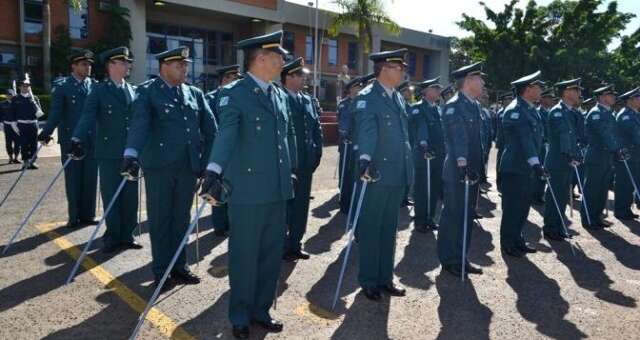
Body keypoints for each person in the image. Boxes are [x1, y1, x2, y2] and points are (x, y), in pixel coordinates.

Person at [200, 31, 294, 339]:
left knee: (270, 254)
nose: (283, 61)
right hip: (249, 191)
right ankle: (239, 314)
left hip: (277, 190)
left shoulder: (279, 94)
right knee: (244, 255)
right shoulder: (235, 93)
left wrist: (288, 171)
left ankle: (261, 310)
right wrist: (213, 171)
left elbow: (283, 140)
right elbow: (226, 134)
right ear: (261, 59)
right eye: (278, 57)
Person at [121, 46, 217, 292]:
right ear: (164, 67)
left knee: (181, 220)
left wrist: (206, 164)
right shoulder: (148, 93)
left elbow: (212, 131)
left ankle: (179, 265)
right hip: (160, 168)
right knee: (161, 220)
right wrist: (131, 154)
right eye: (179, 65)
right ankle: (162, 270)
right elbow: (139, 125)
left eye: (185, 65)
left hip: (187, 168)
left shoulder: (194, 93)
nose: (185, 69)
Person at [351, 48, 413, 300]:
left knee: (389, 229)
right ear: (384, 69)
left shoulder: (396, 97)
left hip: (396, 172)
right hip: (375, 174)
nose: (402, 72)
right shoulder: (368, 97)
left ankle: (385, 277)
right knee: (371, 228)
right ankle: (368, 280)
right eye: (398, 68)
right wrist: (364, 160)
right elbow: (366, 131)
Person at [71, 46, 141, 253]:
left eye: (128, 62)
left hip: (131, 152)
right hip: (109, 152)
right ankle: (113, 236)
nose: (128, 65)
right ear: (112, 65)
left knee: (130, 196)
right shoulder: (99, 90)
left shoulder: (132, 90)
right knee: (111, 195)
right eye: (124, 62)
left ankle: (128, 234)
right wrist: (77, 138)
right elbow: (87, 117)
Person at [38, 49, 99, 228]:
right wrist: (46, 132)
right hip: (71, 140)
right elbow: (56, 113)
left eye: (89, 64)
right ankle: (74, 217)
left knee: (90, 178)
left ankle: (88, 215)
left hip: (91, 140)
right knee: (73, 178)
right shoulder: (63, 87)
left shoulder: (94, 86)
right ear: (73, 66)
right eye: (83, 64)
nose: (88, 67)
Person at [437, 61, 486, 278]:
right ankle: (449, 260)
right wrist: (463, 165)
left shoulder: (474, 105)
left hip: (471, 170)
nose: (483, 82)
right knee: (453, 215)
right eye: (479, 78)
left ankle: (462, 257)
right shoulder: (454, 105)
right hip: (459, 169)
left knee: (466, 215)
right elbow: (458, 139)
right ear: (468, 81)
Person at [498, 70, 547, 257]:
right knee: (512, 207)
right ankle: (508, 243)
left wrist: (536, 163)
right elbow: (525, 139)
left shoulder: (529, 108)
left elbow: (535, 141)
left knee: (523, 206)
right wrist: (536, 163)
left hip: (526, 167)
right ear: (528, 89)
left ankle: (517, 239)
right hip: (515, 167)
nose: (541, 90)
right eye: (538, 87)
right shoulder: (515, 111)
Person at [281, 57, 323, 261]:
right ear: (288, 77)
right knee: (284, 206)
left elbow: (316, 129)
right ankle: (281, 244)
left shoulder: (307, 100)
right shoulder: (279, 98)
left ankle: (295, 243)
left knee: (301, 205)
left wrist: (317, 153)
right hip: (287, 162)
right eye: (299, 75)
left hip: (306, 162)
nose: (303, 80)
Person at [580, 84, 627, 229]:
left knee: (602, 188)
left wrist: (620, 148)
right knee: (592, 189)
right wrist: (617, 148)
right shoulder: (596, 113)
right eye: (610, 95)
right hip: (596, 156)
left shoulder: (608, 113)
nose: (614, 97)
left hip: (606, 156)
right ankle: (588, 218)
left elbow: (615, 135)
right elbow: (604, 134)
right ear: (602, 97)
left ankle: (597, 216)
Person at [542, 78, 584, 241]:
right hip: (558, 160)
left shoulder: (570, 112)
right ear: (566, 93)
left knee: (561, 196)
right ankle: (550, 228)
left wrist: (576, 153)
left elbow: (576, 136)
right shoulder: (558, 112)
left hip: (566, 160)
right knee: (555, 195)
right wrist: (570, 154)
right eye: (576, 90)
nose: (579, 93)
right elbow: (564, 136)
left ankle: (558, 226)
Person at [205, 64, 242, 237]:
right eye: (232, 77)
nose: (235, 80)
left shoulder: (238, 96)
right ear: (224, 79)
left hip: (235, 152)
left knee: (232, 186)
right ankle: (219, 225)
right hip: (217, 150)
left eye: (236, 78)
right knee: (216, 186)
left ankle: (230, 221)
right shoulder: (210, 98)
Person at [410, 77, 443, 232]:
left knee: (434, 187)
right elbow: (421, 128)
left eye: (438, 88)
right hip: (425, 154)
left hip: (438, 155)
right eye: (434, 88)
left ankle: (430, 217)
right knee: (422, 188)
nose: (438, 91)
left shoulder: (438, 108)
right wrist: (424, 144)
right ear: (425, 91)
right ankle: (420, 220)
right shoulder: (418, 109)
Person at [337, 75, 365, 214]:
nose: (359, 89)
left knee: (356, 174)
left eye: (361, 86)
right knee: (346, 174)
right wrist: (345, 134)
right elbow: (343, 123)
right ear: (350, 89)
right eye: (356, 87)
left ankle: (354, 202)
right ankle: (345, 203)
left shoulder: (363, 102)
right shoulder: (344, 103)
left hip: (359, 144)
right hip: (347, 143)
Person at [614, 87, 640, 220]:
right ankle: (621, 210)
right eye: (639, 98)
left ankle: (626, 209)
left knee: (631, 183)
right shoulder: (625, 115)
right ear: (631, 100)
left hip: (635, 155)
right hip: (627, 155)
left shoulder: (634, 114)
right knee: (624, 183)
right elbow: (636, 135)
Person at [11, 74, 43, 169]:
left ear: (29, 87)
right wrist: (14, 124)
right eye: (23, 86)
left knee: (34, 144)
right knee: (24, 144)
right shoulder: (15, 99)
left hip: (33, 124)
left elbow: (39, 113)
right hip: (22, 124)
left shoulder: (34, 98)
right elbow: (13, 113)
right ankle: (25, 161)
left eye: (27, 86)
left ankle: (32, 161)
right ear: (20, 87)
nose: (25, 88)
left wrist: (34, 104)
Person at [531, 89, 557, 205]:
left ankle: (540, 194)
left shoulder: (548, 112)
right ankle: (535, 195)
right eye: (549, 98)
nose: (551, 100)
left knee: (544, 170)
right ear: (542, 99)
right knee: (539, 170)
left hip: (547, 146)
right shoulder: (538, 112)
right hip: (541, 146)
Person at [1, 89, 20, 163]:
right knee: (8, 143)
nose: (9, 96)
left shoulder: (17, 104)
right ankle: (10, 157)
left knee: (17, 143)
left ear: (13, 95)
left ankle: (16, 157)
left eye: (11, 94)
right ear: (6, 95)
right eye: (8, 94)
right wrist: (1, 123)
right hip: (7, 125)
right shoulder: (2, 104)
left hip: (16, 125)